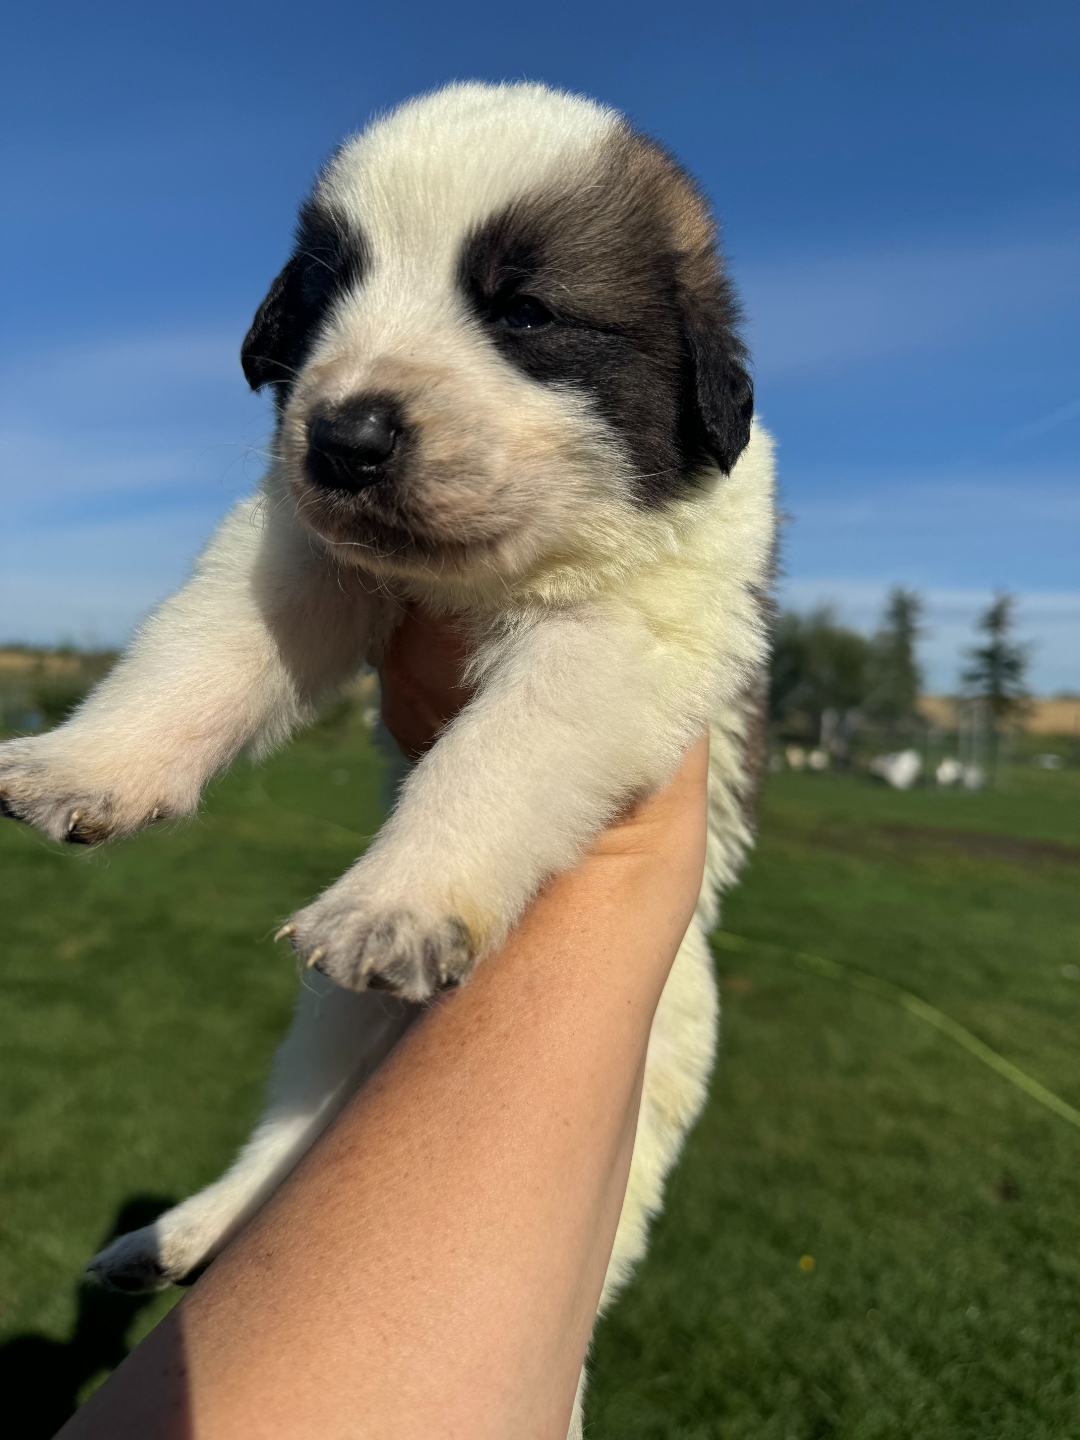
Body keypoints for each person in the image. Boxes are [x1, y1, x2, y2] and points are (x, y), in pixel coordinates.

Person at [58, 606, 709, 1440]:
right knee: (352, 996)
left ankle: (548, 1378)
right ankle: (255, 1187)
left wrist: (625, 850)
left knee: (562, 1205)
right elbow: (284, 591)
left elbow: (643, 644)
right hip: (443, 819)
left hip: (634, 875)